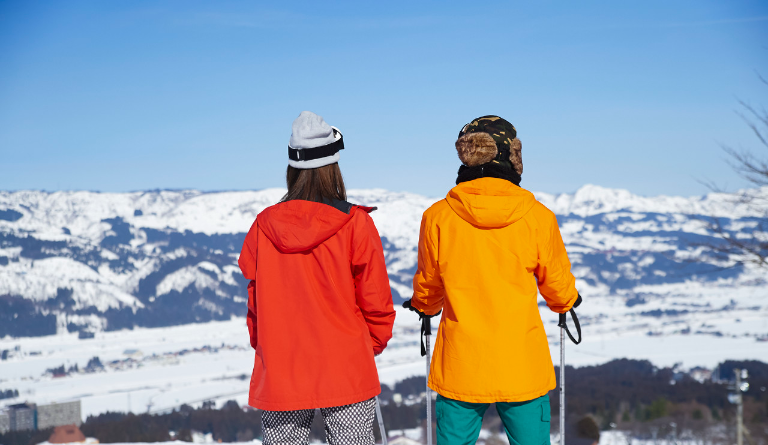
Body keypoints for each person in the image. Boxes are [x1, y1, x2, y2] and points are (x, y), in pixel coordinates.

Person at [403, 115, 582, 445]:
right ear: (512, 157)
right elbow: (557, 287)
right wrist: (568, 301)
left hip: (461, 363)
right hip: (522, 363)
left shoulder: (437, 217)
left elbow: (429, 286)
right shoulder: (538, 217)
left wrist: (423, 308)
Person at [238, 111, 396, 445]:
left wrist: (269, 350)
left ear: (292, 169)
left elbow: (255, 306)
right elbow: (377, 301)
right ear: (333, 166)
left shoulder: (262, 227)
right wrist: (367, 347)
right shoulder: (355, 224)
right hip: (347, 367)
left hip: (281, 370)